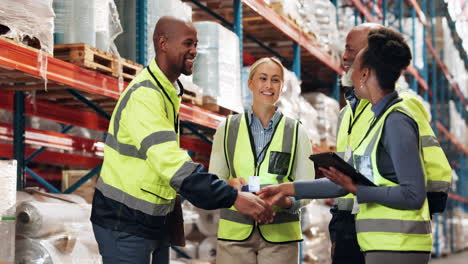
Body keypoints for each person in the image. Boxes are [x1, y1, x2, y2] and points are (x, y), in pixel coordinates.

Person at [90, 16, 274, 264]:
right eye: (188, 43)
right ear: (163, 43)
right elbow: (173, 166)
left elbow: (160, 170)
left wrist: (225, 187)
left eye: (196, 44)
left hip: (150, 221)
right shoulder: (145, 96)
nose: (194, 51)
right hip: (124, 223)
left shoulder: (167, 91)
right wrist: (232, 197)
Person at [259, 28, 434, 264]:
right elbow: (345, 184)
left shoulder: (396, 120)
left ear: (365, 74)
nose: (347, 68)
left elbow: (413, 195)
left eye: (354, 63)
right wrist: (287, 188)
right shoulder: (374, 119)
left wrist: (356, 188)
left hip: (398, 245)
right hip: (377, 243)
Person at [208, 57, 315, 264]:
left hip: (280, 238)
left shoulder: (296, 132)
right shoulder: (227, 128)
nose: (268, 85)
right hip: (235, 237)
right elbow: (213, 181)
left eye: (275, 80)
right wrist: (230, 186)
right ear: (250, 83)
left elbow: (307, 189)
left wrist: (286, 201)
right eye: (262, 78)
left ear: (282, 87)